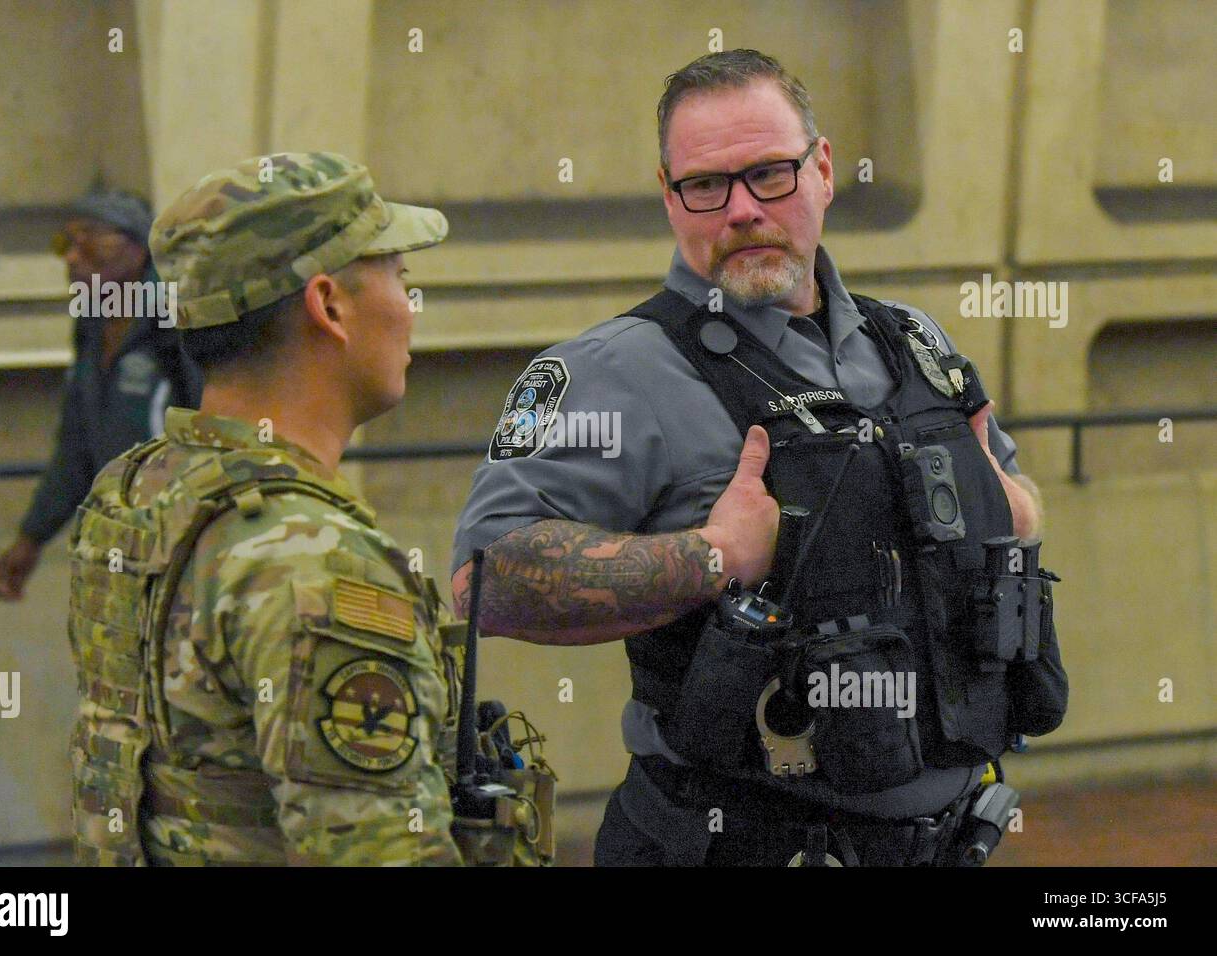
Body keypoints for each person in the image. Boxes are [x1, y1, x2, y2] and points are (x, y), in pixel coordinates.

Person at [452, 50, 1057, 866]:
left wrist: (1017, 509)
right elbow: (484, 576)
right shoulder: (618, 370)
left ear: (824, 170)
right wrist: (712, 557)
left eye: (770, 173)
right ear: (669, 197)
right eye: (706, 185)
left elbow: (1013, 496)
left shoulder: (913, 342)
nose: (740, 209)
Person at [67, 152, 466, 865]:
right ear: (329, 305)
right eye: (400, 277)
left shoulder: (133, 491)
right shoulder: (315, 559)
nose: (409, 308)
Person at [0, 189, 201, 601]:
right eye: (65, 244)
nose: (72, 257)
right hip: (120, 544)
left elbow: (217, 433)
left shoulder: (179, 323)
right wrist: (32, 536)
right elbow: (77, 443)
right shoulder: (92, 326)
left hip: (183, 546)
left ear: (137, 247)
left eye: (89, 240)